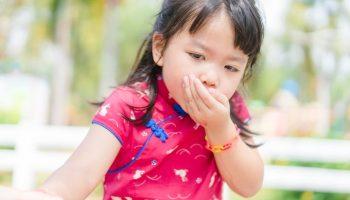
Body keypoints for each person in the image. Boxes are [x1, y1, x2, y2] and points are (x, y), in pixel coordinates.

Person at [5, 0, 265, 199]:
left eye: (230, 68)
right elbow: (81, 173)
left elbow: (249, 185)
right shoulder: (129, 105)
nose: (211, 77)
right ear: (160, 49)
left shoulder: (230, 110)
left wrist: (220, 128)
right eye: (197, 56)